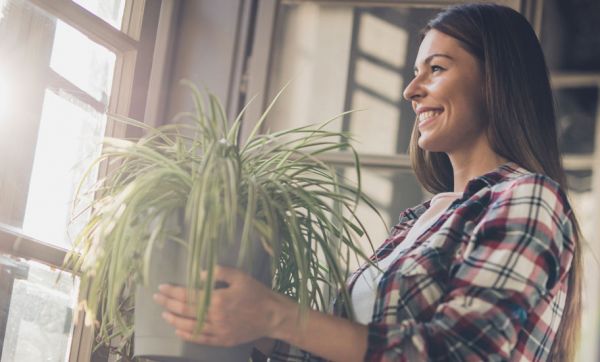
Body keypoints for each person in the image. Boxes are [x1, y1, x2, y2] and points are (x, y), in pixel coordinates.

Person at [153, 3, 582, 361]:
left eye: (436, 68)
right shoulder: (421, 218)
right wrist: (240, 317)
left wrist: (275, 316)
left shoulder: (529, 198)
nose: (410, 90)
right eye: (416, 71)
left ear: (495, 80)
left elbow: (460, 354)